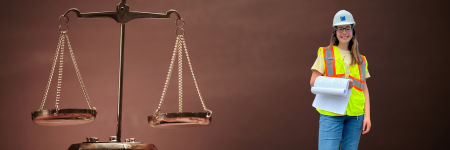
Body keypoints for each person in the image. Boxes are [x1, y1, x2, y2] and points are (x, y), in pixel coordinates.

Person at [310, 10, 371, 150]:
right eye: (340, 29)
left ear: (353, 31)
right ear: (335, 32)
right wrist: (340, 84)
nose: (344, 32)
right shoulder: (325, 53)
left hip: (355, 115)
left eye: (348, 28)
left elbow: (364, 89)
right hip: (331, 113)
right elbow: (313, 81)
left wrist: (367, 116)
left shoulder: (361, 60)